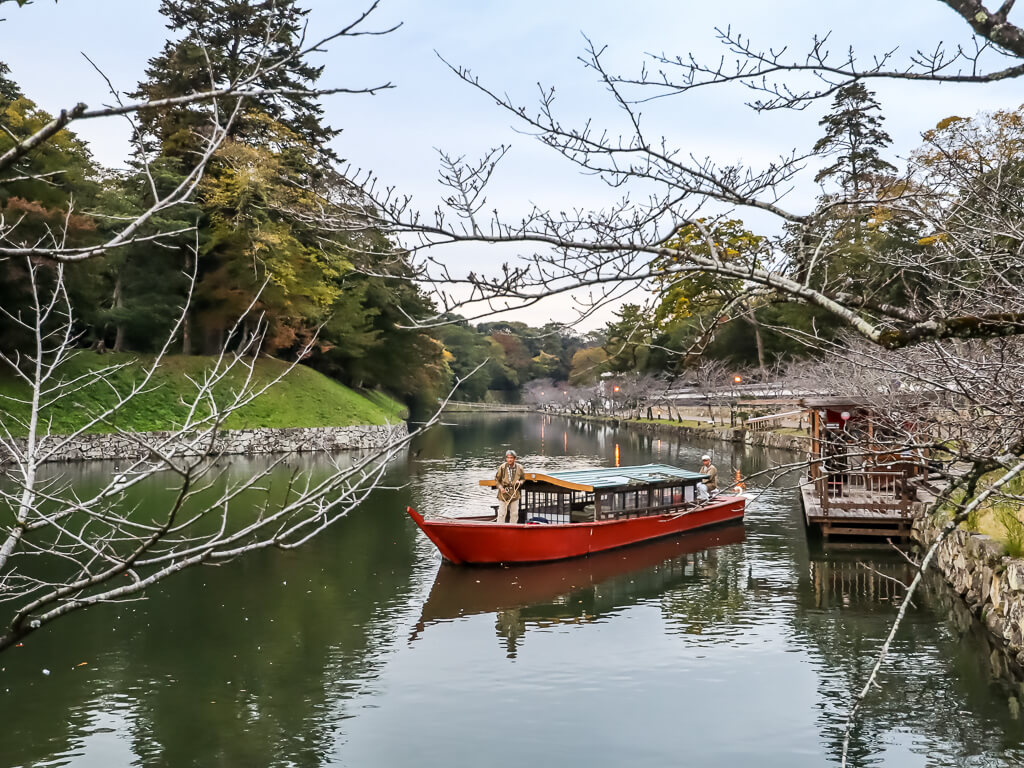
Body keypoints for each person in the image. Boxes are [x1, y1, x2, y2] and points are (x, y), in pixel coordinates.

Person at [494, 449, 525, 523]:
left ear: (515, 459)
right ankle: (500, 527)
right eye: (508, 458)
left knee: (514, 513)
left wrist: (520, 482)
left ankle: (513, 527)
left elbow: (523, 479)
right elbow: (497, 480)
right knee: (501, 513)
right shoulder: (502, 467)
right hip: (503, 493)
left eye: (511, 458)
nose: (509, 459)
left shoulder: (520, 467)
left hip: (514, 493)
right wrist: (501, 488)